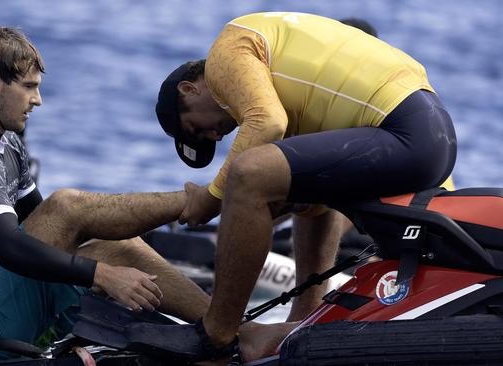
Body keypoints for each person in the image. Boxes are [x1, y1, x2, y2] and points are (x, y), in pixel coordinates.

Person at [155, 12, 456, 361]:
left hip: (408, 132)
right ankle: (304, 322)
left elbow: (267, 123)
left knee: (247, 172)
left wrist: (211, 198)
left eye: (196, 129)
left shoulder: (228, 48)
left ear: (189, 88)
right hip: (434, 134)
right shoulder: (293, 91)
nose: (216, 135)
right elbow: (315, 206)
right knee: (303, 192)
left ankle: (216, 333)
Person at [0, 26, 212, 361]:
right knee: (66, 205)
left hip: (4, 304)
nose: (38, 100)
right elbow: (10, 246)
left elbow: (52, 231)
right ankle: (197, 200)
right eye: (29, 87)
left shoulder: (8, 143)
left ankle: (224, 329)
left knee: (117, 246)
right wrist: (103, 275)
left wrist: (103, 266)